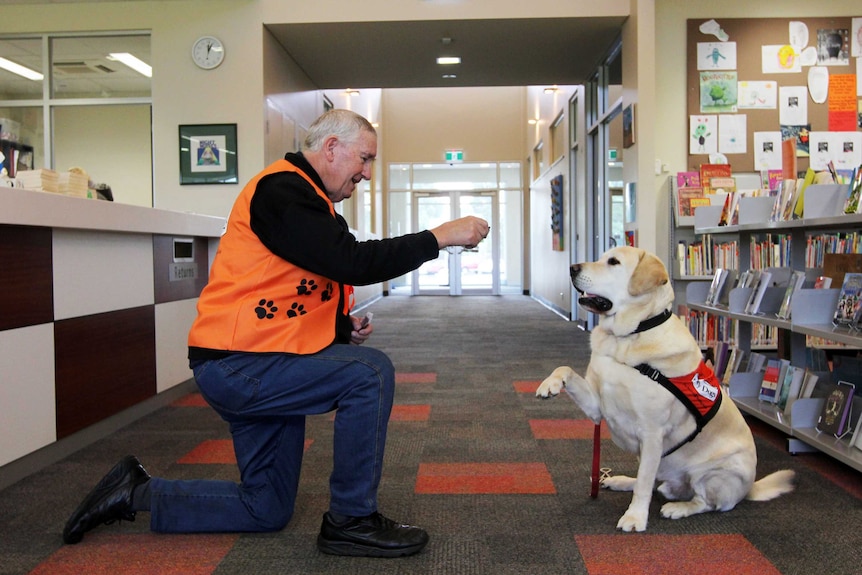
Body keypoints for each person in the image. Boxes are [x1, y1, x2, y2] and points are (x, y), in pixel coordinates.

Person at [62, 109, 489, 558]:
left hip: (264, 357)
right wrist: (437, 237)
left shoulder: (310, 200)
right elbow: (353, 262)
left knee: (265, 508)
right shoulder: (282, 190)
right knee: (371, 374)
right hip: (237, 364)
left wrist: (342, 325)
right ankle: (351, 519)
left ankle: (135, 493)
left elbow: (294, 283)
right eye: (364, 159)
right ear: (331, 148)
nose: (366, 172)